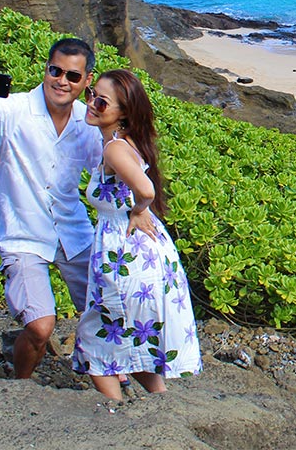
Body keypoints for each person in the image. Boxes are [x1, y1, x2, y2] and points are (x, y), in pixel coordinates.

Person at [0, 38, 102, 379]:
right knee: (40, 326)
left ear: (87, 80)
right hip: (22, 233)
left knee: (106, 312)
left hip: (74, 232)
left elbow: (107, 167)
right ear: (46, 69)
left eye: (73, 76)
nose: (62, 81)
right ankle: (19, 387)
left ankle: (114, 381)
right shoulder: (15, 109)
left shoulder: (87, 122)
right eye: (56, 71)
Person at [72, 69, 201, 399]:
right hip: (142, 254)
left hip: (125, 257)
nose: (91, 104)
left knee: (95, 343)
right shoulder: (127, 143)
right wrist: (140, 209)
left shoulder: (115, 149)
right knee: (137, 339)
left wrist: (140, 208)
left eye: (101, 102)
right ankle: (160, 409)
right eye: (91, 95)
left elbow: (145, 189)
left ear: (123, 113)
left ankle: (115, 413)